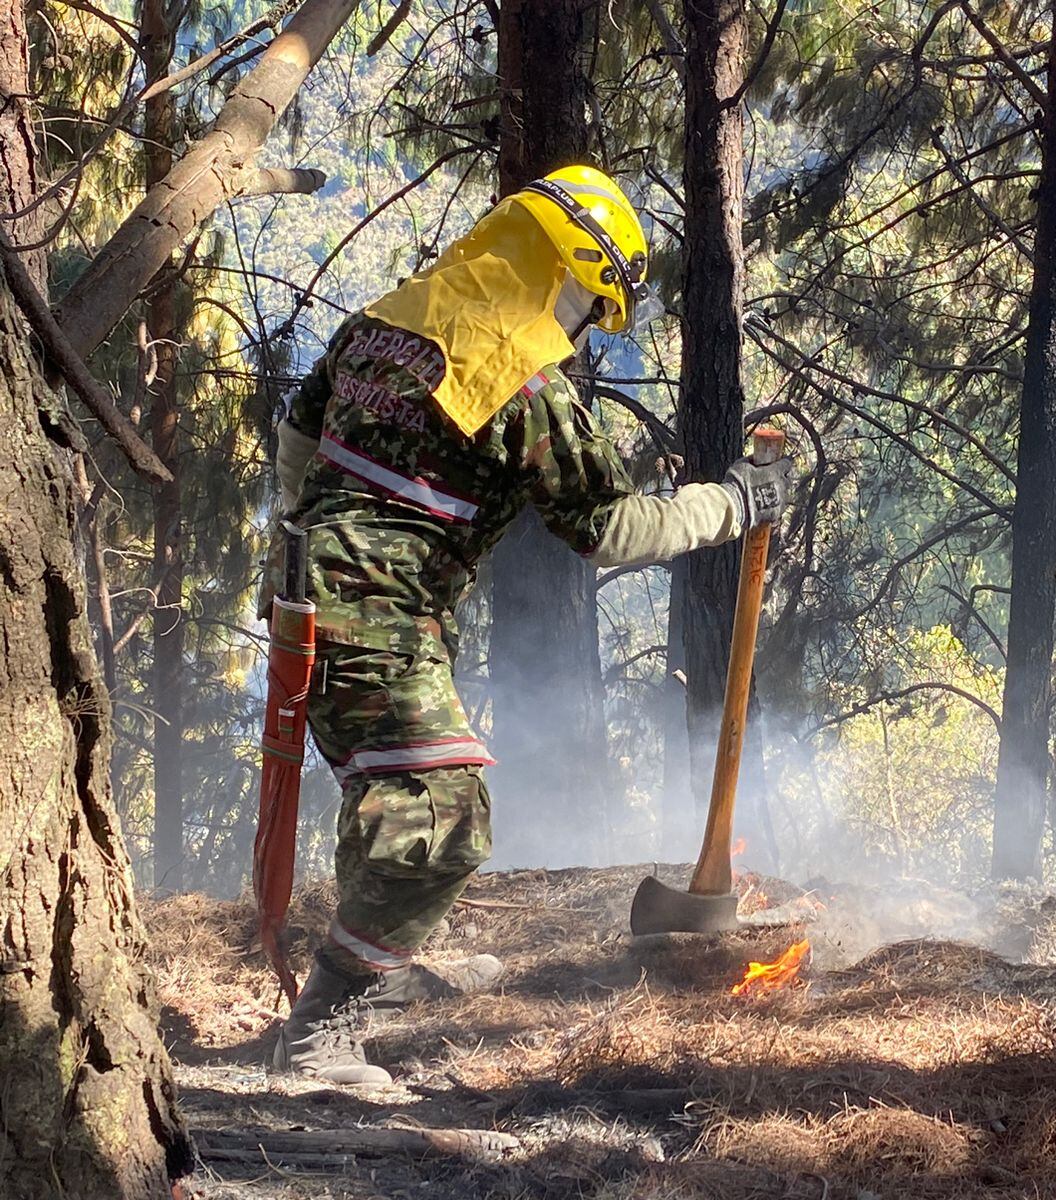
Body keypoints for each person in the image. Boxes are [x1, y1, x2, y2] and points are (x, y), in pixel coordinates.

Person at [266, 165, 795, 1085]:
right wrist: (733, 502)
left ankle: (383, 971)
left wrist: (322, 532)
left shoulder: (381, 322)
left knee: (388, 793)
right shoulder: (523, 378)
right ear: (566, 271)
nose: (585, 326)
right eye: (591, 301)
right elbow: (612, 529)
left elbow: (298, 438)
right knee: (446, 817)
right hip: (374, 613)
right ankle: (321, 1032)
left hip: (315, 595)